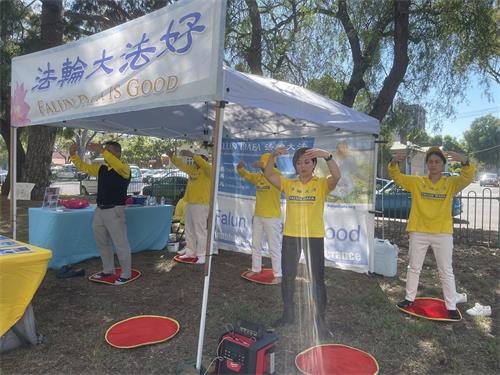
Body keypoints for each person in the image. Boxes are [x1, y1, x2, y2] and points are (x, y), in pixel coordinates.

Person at [389, 147, 475, 320]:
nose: (434, 164)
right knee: (414, 267)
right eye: (430, 161)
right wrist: (394, 162)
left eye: (437, 161)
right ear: (427, 164)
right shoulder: (417, 182)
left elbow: (467, 177)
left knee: (446, 270)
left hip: (442, 233)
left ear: (443, 164)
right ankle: (409, 299)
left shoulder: (451, 183)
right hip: (418, 231)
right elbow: (396, 176)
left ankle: (450, 306)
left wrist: (464, 160)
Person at [263, 147, 340, 330]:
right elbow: (268, 175)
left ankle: (320, 321)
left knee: (317, 279)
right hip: (291, 236)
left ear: (314, 165)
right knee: (288, 277)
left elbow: (336, 177)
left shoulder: (321, 184)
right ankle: (288, 315)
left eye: (307, 162)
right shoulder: (289, 184)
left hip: (313, 236)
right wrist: (273, 156)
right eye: (298, 163)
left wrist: (327, 156)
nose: (302, 166)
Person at [69, 141, 132, 285]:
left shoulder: (124, 168)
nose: (105, 153)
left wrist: (102, 151)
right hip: (100, 210)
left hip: (115, 209)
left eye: (109, 151)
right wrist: (73, 155)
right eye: (105, 150)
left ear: (118, 153)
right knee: (102, 243)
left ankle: (126, 274)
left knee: (120, 243)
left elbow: (116, 164)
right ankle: (108, 270)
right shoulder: (102, 169)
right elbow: (84, 167)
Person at [236, 153, 282, 283]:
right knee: (256, 244)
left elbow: (272, 170)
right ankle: (256, 269)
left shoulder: (277, 175)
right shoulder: (259, 177)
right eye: (263, 163)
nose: (263, 167)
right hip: (258, 216)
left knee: (274, 246)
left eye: (266, 163)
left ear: (272, 163)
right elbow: (246, 175)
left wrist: (264, 165)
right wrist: (240, 168)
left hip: (272, 217)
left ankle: (278, 274)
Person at [163, 148, 211, 264]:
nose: (194, 160)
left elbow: (203, 164)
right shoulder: (193, 169)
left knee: (200, 231)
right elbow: (182, 166)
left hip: (201, 204)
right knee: (189, 230)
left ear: (204, 158)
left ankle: (202, 255)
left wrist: (193, 155)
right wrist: (172, 157)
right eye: (194, 157)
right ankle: (190, 251)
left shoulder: (208, 169)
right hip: (189, 203)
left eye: (199, 157)